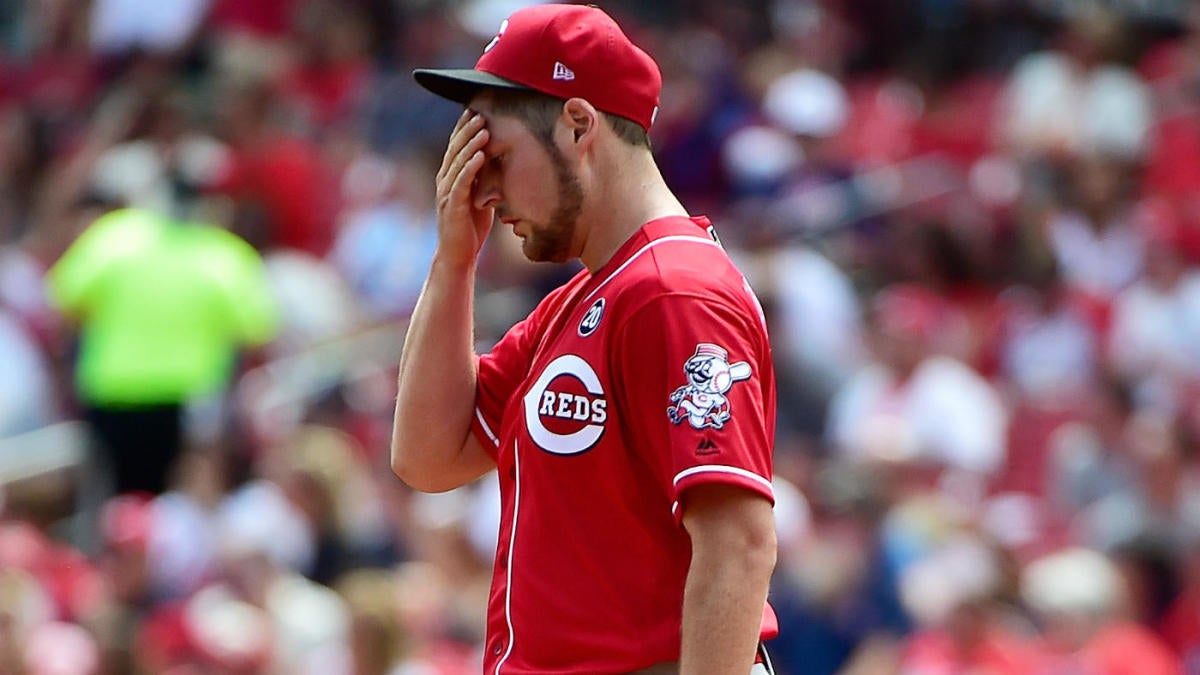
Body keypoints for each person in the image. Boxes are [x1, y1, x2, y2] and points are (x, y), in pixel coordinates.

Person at [391, 5, 778, 674]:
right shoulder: (585, 299)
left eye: (498, 155)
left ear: (577, 125)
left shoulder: (671, 289)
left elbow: (738, 541)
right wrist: (453, 260)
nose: (481, 186)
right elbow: (429, 455)